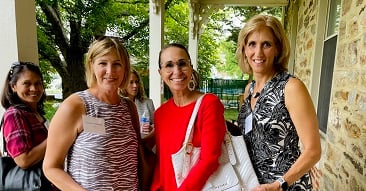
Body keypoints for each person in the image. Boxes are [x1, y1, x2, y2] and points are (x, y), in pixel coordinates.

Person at [43, 36, 142, 190]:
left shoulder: (129, 107)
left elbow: (138, 153)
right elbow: (51, 167)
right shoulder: (75, 106)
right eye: (103, 63)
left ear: (125, 68)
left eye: (117, 64)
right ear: (91, 65)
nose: (110, 71)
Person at [236, 14, 321, 191]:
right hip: (255, 185)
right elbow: (250, 136)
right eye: (252, 44)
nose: (258, 53)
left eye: (266, 44)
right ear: (244, 49)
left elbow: (313, 151)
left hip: (286, 186)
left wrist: (279, 184)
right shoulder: (249, 89)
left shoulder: (291, 87)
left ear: (277, 49)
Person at [150, 43, 227, 190]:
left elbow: (209, 159)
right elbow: (163, 162)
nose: (177, 71)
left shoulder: (209, 104)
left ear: (191, 68)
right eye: (169, 65)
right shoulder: (160, 114)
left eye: (182, 64)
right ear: (160, 72)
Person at [1, 61, 55, 190]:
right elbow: (23, 160)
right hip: (33, 184)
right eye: (27, 83)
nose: (34, 89)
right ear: (13, 86)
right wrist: (57, 137)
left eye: (38, 83)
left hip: (47, 182)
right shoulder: (15, 115)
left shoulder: (35, 114)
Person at [119, 69, 155, 137]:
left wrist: (151, 128)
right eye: (131, 82)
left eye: (137, 82)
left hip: (146, 144)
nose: (135, 85)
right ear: (124, 83)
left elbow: (157, 126)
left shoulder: (148, 103)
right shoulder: (118, 104)